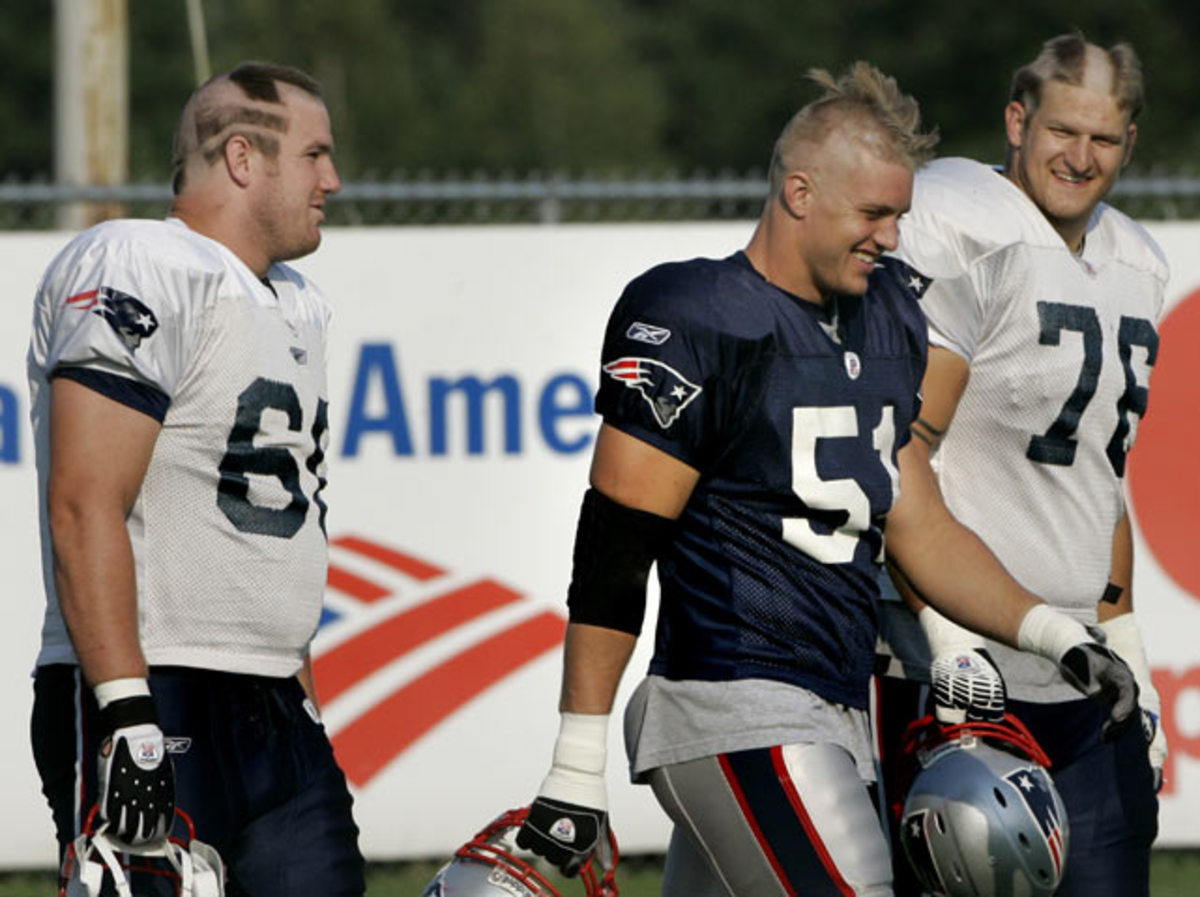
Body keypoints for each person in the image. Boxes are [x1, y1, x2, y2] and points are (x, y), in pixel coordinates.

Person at [514, 62, 1137, 897]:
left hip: (835, 709)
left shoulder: (887, 317)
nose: (890, 238)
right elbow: (616, 550)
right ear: (800, 193)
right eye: (873, 214)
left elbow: (923, 528)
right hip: (733, 698)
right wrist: (574, 766)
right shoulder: (698, 313)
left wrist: (1054, 635)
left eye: (901, 216)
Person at [28, 61, 365, 896]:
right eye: (315, 154)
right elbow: (82, 502)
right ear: (244, 158)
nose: (333, 178)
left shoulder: (297, 303)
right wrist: (127, 710)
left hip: (273, 701)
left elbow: (277, 529)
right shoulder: (144, 264)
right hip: (157, 684)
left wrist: (302, 690)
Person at [875, 33, 1168, 897]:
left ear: (1130, 145)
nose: (1080, 157)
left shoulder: (1137, 261)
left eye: (1104, 138)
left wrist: (1126, 641)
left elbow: (1100, 477)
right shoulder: (965, 224)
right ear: (1016, 119)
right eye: (1061, 130)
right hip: (957, 670)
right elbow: (901, 455)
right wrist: (948, 632)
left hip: (1082, 673)